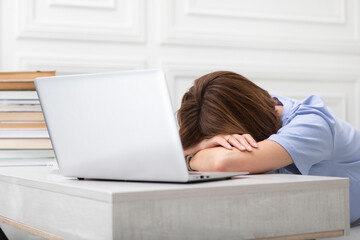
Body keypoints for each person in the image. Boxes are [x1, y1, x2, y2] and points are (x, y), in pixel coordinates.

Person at [177, 71, 360, 225]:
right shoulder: (252, 107)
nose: (222, 148)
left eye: (224, 144)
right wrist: (198, 145)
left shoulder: (311, 124)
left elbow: (222, 162)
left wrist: (190, 156)